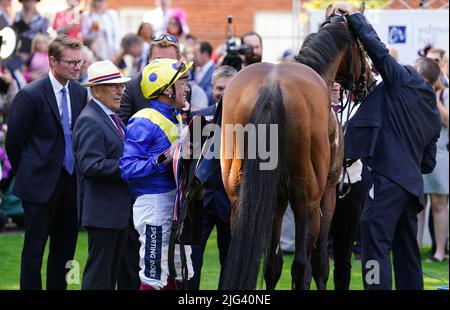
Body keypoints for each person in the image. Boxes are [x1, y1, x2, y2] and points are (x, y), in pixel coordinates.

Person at [331, 3, 441, 290]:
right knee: (408, 252)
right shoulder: (432, 110)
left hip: (387, 180)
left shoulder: (405, 79)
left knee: (373, 247)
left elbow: (376, 49)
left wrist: (354, 16)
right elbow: (428, 163)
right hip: (412, 187)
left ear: (417, 73)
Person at [6, 34, 88, 290]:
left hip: (71, 184)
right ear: (53, 61)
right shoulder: (30, 95)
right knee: (33, 252)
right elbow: (14, 143)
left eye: (80, 62)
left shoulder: (79, 93)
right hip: (39, 186)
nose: (77, 67)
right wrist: (31, 172)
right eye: (71, 62)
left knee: (64, 253)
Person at [120, 58, 193, 290]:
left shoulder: (177, 116)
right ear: (166, 90)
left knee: (180, 271)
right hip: (153, 205)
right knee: (153, 275)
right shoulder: (144, 120)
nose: (187, 87)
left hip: (175, 204)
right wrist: (163, 158)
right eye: (182, 82)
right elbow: (127, 168)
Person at [73, 60, 133, 290]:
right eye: (113, 86)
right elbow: (90, 165)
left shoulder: (110, 116)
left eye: (121, 85)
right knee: (98, 276)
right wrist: (130, 167)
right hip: (103, 213)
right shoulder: (91, 119)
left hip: (115, 211)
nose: (120, 91)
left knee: (108, 275)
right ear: (96, 91)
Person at [189, 65, 236, 289]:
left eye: (229, 88)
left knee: (230, 261)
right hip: (200, 200)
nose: (224, 93)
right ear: (211, 88)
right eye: (219, 88)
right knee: (191, 261)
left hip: (231, 201)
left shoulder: (247, 122)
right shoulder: (198, 117)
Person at [118, 34, 181, 124]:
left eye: (168, 61)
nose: (162, 66)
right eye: (157, 60)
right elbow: (119, 127)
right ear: (149, 60)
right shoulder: (132, 85)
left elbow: (187, 125)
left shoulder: (184, 88)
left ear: (178, 60)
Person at [421, 82, 448, 263]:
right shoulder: (415, 91)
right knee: (417, 204)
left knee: (439, 203)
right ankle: (414, 248)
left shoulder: (445, 94)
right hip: (418, 152)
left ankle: (439, 250)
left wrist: (435, 97)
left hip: (441, 152)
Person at [193, 41, 215, 106]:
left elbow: (210, 95)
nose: (194, 58)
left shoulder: (215, 71)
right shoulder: (196, 70)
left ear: (205, 54)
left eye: (196, 54)